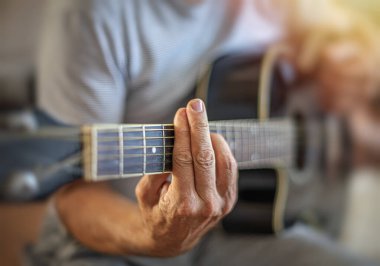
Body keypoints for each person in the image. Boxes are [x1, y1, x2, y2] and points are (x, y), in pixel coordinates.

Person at [27, 0, 379, 265]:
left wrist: (349, 60)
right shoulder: (90, 14)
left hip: (242, 230)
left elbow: (349, 32)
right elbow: (71, 194)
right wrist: (153, 236)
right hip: (112, 241)